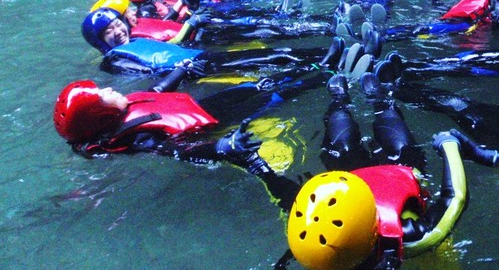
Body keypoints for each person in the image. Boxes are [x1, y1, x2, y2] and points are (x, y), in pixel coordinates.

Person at [249, 74, 468, 270]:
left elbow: (282, 192)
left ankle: (339, 100)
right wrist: (449, 145)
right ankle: (380, 100)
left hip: (348, 174)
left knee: (341, 141)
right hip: (398, 172)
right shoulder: (410, 238)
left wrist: (252, 161)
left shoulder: (307, 234)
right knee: (398, 141)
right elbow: (454, 197)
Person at [53, 62, 327, 169]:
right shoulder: (139, 137)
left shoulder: (125, 109)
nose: (109, 88)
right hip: (211, 123)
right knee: (272, 98)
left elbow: (157, 92)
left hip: (202, 106)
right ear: (103, 115)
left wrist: (182, 70)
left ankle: (319, 64)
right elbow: (177, 149)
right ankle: (324, 77)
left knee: (255, 85)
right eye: (103, 94)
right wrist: (221, 146)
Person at [81, 7, 343, 77]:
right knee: (275, 57)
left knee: (277, 52)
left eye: (117, 24)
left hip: (197, 58)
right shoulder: (113, 60)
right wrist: (180, 70)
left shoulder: (135, 39)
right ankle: (333, 60)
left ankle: (332, 53)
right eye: (108, 32)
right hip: (195, 69)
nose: (117, 31)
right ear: (99, 41)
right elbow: (143, 72)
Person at [90, 0, 189, 43]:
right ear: (120, 19)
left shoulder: (138, 25)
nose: (134, 13)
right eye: (128, 12)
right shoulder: (134, 39)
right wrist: (191, 25)